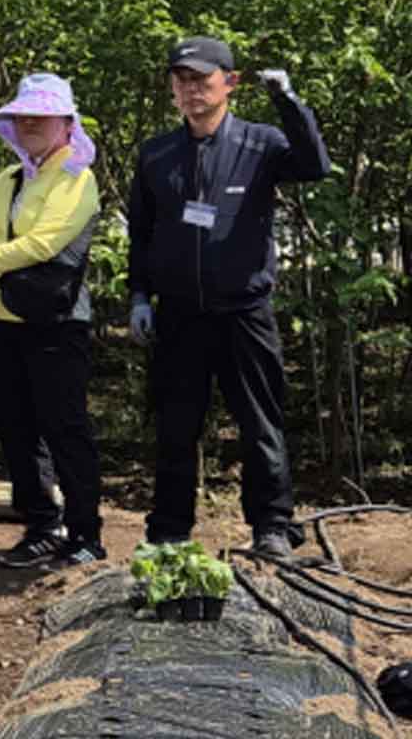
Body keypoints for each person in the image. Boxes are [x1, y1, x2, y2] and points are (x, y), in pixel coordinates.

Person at [129, 37, 329, 558]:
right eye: (182, 80)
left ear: (230, 83)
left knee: (260, 422)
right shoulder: (157, 154)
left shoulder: (260, 143)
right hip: (179, 316)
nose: (191, 90)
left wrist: (289, 101)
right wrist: (139, 296)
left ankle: (272, 526)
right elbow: (142, 234)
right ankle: (169, 532)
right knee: (177, 426)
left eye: (202, 78)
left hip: (243, 312)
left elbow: (314, 165)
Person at [0, 73, 105, 569]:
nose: (31, 124)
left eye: (42, 116)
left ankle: (85, 533)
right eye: (24, 117)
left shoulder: (76, 178)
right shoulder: (14, 179)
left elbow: (43, 244)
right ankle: (40, 525)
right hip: (4, 320)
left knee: (65, 427)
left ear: (67, 124)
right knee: (17, 427)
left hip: (56, 323)